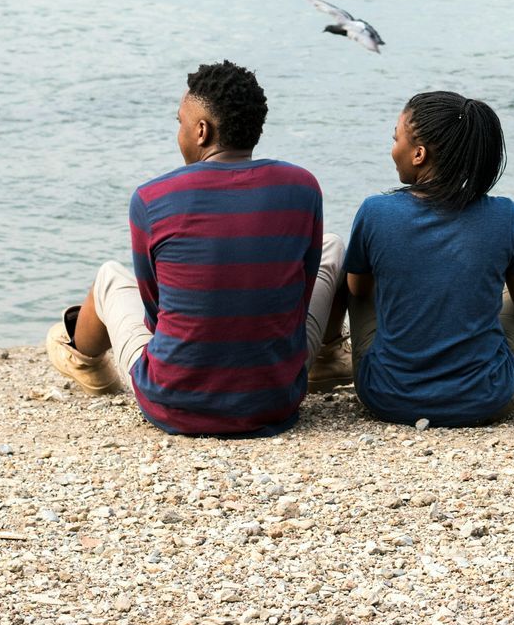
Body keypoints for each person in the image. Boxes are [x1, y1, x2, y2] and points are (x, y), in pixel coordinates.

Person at [45, 61, 349, 436]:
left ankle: (84, 359)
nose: (179, 132)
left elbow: (155, 316)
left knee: (109, 278)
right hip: (275, 397)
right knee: (333, 245)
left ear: (202, 131)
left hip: (175, 401)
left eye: (180, 123)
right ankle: (328, 360)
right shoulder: (303, 187)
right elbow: (299, 296)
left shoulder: (152, 198)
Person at [343, 90, 514, 427]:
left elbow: (358, 290)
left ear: (419, 154)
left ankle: (329, 357)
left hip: (386, 396)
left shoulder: (374, 211)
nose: (392, 148)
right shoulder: (506, 215)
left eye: (396, 139)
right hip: (486, 399)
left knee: (353, 270)